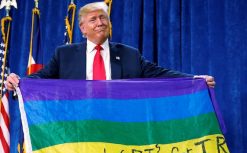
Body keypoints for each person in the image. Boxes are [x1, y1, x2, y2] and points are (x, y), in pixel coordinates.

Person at [6, 2, 215, 91]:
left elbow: (159, 73)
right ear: (82, 28)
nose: (100, 23)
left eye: (103, 18)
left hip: (117, 130)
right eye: (94, 19)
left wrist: (194, 80)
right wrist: (19, 82)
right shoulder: (65, 55)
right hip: (79, 127)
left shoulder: (129, 54)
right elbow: (42, 78)